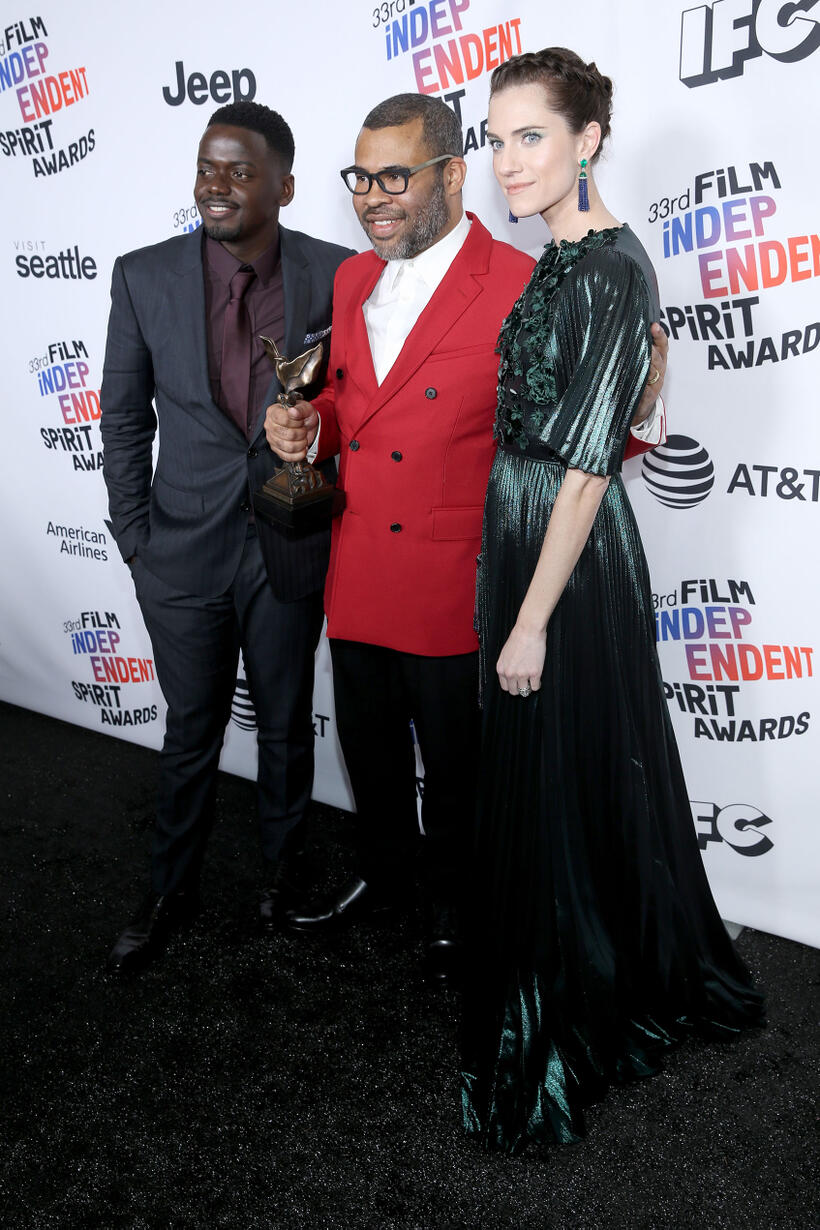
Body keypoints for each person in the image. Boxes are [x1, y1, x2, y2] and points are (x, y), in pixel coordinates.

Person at [264, 93, 667, 983]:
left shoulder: (523, 281)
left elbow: (591, 438)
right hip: (358, 567)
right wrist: (310, 427)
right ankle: (384, 876)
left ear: (451, 175)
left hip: (456, 577)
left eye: (395, 177)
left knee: (456, 769)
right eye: (362, 178)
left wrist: (645, 400)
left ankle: (455, 903)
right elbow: (351, 404)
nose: (373, 198)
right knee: (370, 753)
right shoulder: (352, 279)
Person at [459, 49, 764, 1152]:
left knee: (561, 768)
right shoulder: (567, 254)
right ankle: (590, 964)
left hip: (568, 558)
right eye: (496, 140)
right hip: (531, 531)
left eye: (531, 136)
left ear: (587, 140)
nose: (508, 161)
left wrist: (530, 619)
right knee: (566, 771)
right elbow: (622, 406)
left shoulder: (606, 268)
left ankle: (573, 1007)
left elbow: (589, 470)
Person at [100, 101, 353, 974]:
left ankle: (283, 877)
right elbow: (123, 419)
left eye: (240, 171)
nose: (217, 185)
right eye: (208, 167)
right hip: (178, 551)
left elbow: (351, 407)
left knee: (285, 725)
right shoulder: (142, 276)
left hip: (287, 544)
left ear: (285, 186)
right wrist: (136, 540)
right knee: (190, 731)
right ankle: (170, 886)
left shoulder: (337, 276)